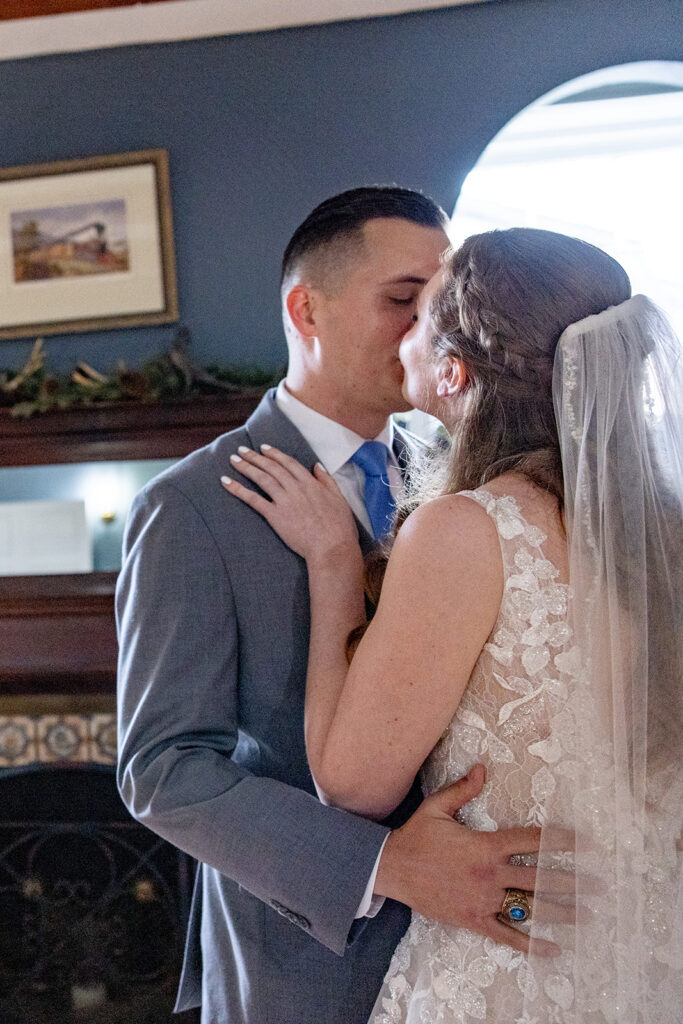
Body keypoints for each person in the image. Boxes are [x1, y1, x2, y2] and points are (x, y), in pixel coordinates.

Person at [116, 193, 568, 1024]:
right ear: (306, 309)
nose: (429, 327)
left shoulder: (480, 482)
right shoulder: (192, 507)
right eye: (403, 299)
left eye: (439, 304)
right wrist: (386, 864)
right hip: (311, 967)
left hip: (493, 952)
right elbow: (163, 769)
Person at [223, 227, 682, 1023]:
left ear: (452, 369)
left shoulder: (468, 529)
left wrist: (335, 564)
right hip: (656, 957)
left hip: (515, 966)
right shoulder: (666, 535)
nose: (400, 336)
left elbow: (353, 782)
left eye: (418, 315)